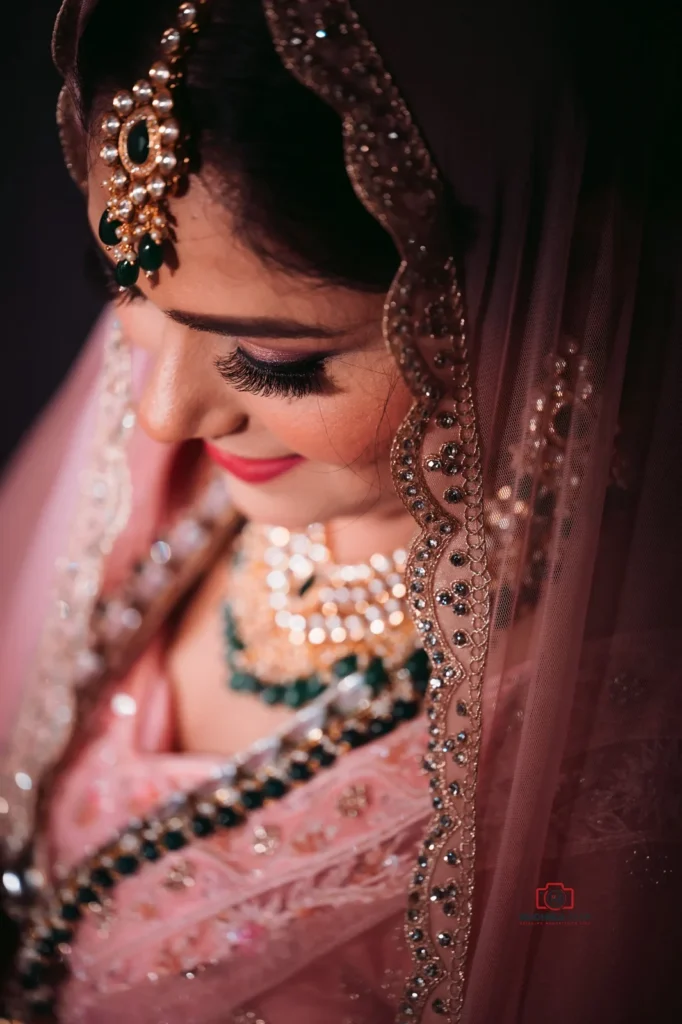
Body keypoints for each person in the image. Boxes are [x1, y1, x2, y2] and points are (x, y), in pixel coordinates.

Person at [1, 0, 681, 1022]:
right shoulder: (142, 428)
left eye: (276, 360)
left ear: (553, 276)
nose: (161, 411)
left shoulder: (616, 749)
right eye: (126, 289)